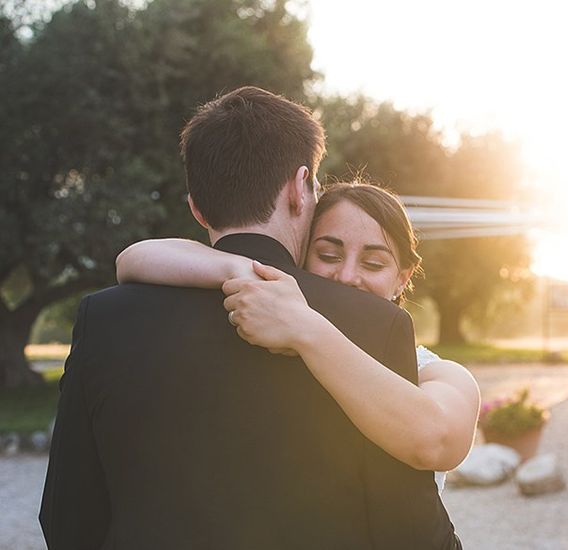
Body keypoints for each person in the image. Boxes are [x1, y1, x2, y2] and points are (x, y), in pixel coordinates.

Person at [40, 86, 461, 549]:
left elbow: (67, 515)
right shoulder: (373, 324)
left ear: (196, 207)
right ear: (301, 189)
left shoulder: (103, 316)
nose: (347, 275)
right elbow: (406, 527)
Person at [115, 182, 481, 493]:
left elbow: (436, 442)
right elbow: (133, 258)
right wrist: (243, 270)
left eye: (373, 263)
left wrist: (307, 329)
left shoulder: (436, 373)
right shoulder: (266, 345)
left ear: (403, 277)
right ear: (300, 258)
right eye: (328, 254)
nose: (347, 276)